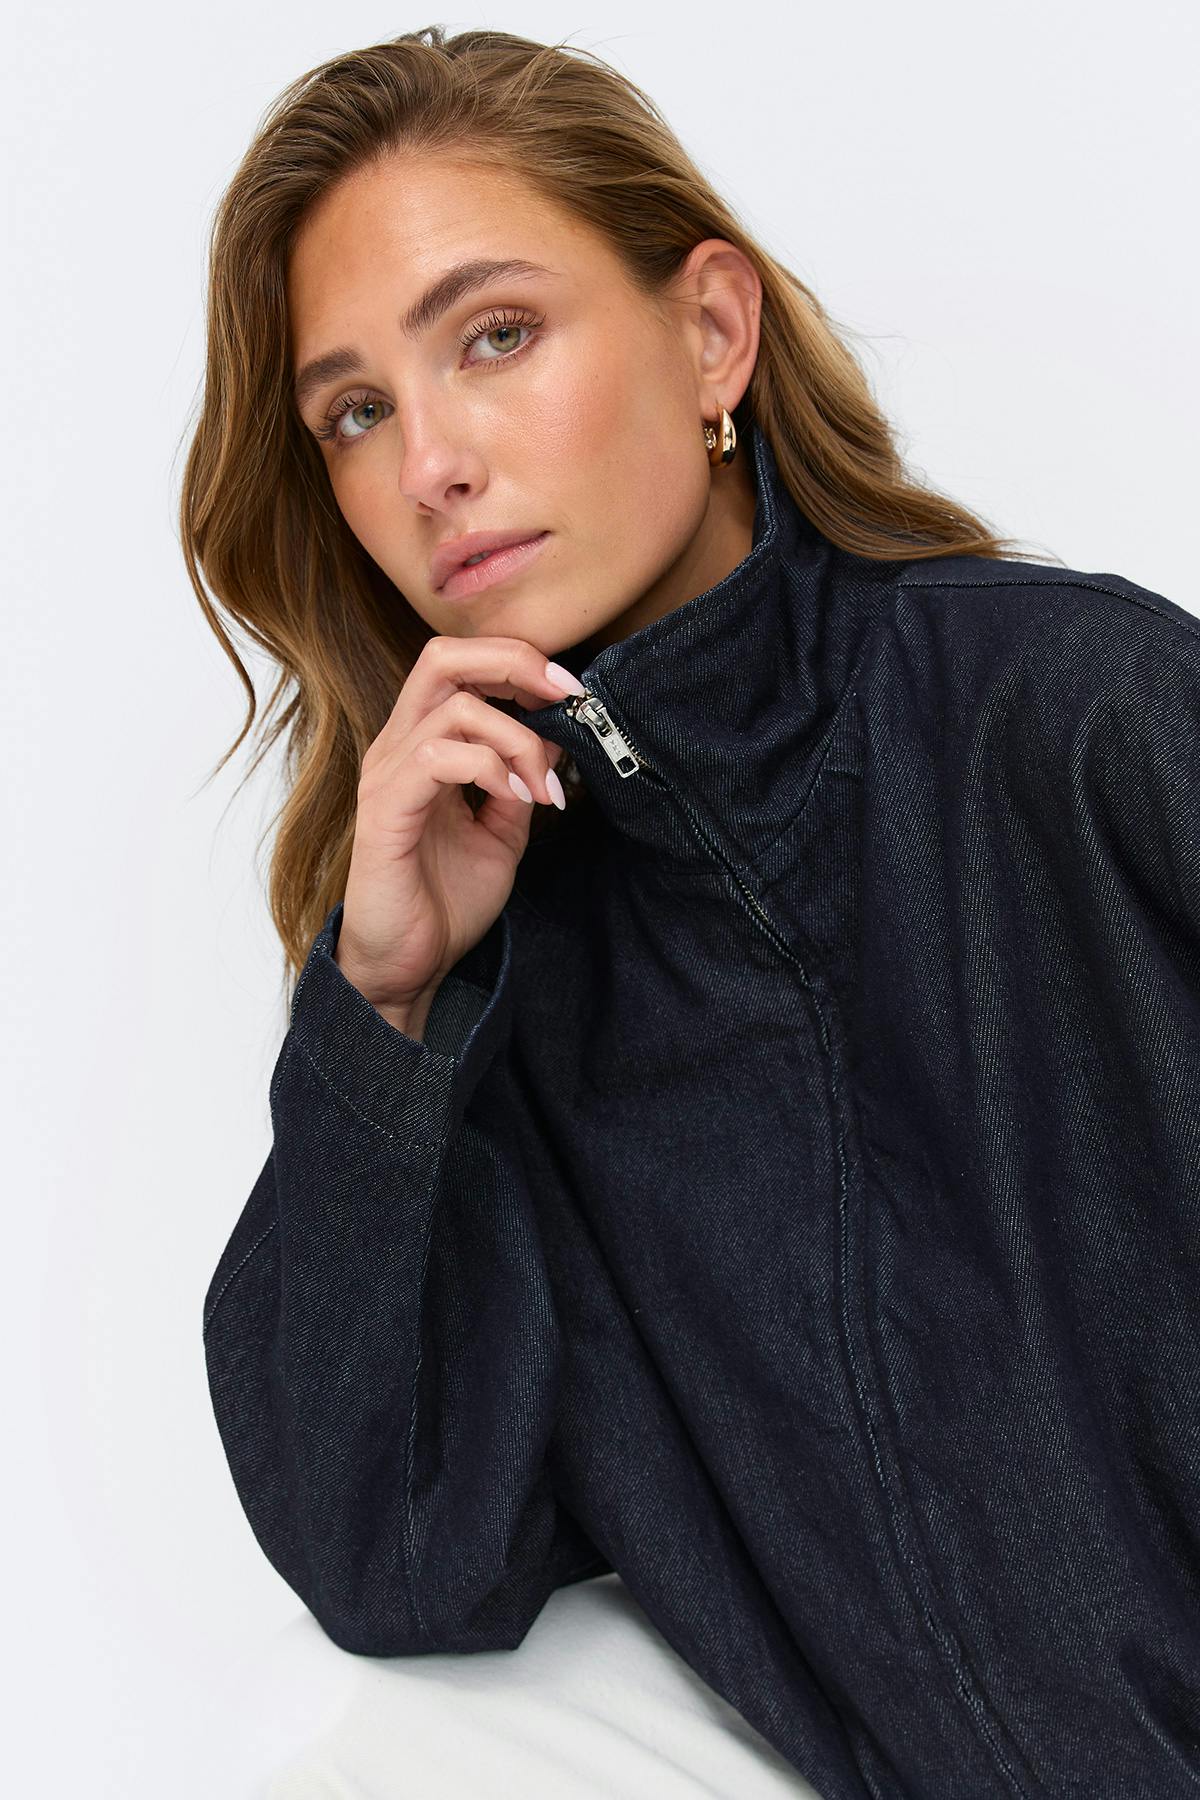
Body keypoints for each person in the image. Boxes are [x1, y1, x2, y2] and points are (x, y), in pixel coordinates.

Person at [188, 26, 1200, 1800]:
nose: (428, 466)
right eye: (354, 412)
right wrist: (383, 998)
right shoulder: (487, 986)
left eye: (494, 336)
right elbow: (397, 1560)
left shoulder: (1082, 718)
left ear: (713, 332)